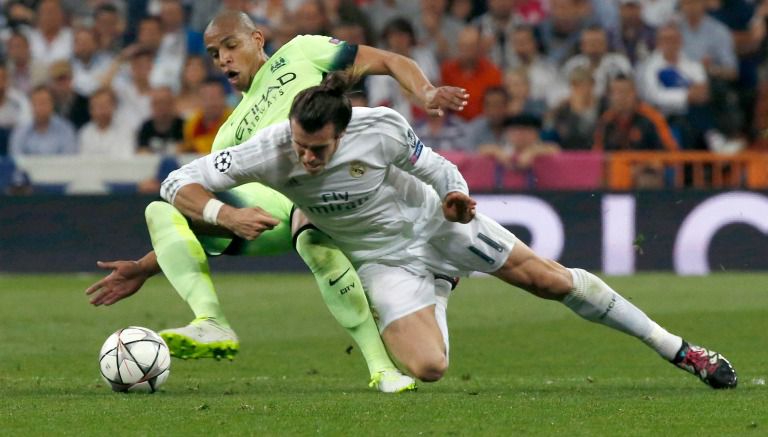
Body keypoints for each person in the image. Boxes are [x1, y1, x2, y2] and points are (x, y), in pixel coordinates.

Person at [159, 70, 738, 390]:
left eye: (318, 149)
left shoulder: (379, 128)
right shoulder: (271, 150)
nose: (306, 158)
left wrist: (456, 200)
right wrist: (223, 214)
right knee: (428, 370)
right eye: (301, 147)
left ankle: (681, 351)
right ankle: (443, 285)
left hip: (433, 225)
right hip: (383, 260)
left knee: (552, 282)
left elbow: (439, 170)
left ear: (342, 131)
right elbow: (176, 182)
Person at [85, 10, 468, 393]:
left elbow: (388, 60)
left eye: (230, 46)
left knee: (313, 237)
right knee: (163, 208)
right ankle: (211, 321)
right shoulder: (230, 133)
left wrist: (426, 91)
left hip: (331, 184)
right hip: (265, 213)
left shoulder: (301, 53)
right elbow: (196, 223)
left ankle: (383, 368)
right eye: (214, 54)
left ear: (257, 39)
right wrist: (145, 266)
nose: (223, 60)